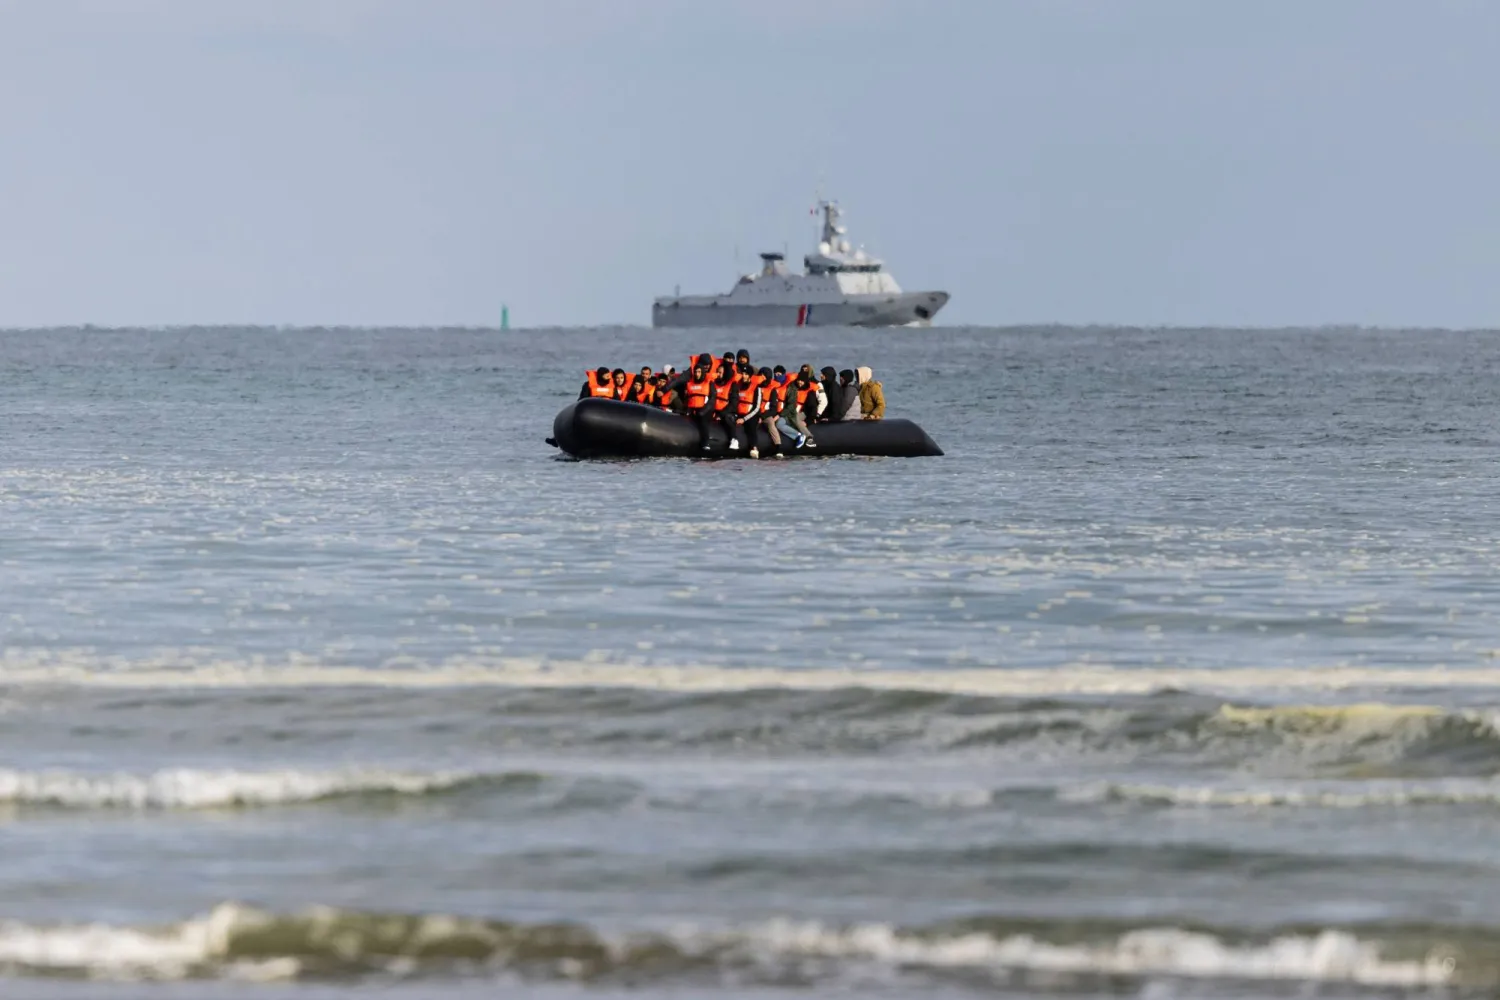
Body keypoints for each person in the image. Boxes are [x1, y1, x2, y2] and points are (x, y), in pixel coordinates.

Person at [728, 364, 762, 457]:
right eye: (742, 373)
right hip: (739, 413)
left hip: (751, 414)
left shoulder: (756, 388)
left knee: (751, 426)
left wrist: (744, 419)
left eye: (746, 374)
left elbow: (757, 407)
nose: (744, 376)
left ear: (750, 376)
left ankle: (754, 448)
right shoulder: (738, 386)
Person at [682, 360, 717, 451]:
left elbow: (712, 399)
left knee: (703, 420)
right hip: (694, 409)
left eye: (699, 372)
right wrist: (688, 410)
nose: (697, 374)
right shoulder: (690, 384)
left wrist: (704, 411)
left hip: (706, 409)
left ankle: (706, 442)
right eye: (696, 372)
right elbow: (688, 399)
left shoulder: (709, 383)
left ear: (702, 373)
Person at [782, 369, 818, 448]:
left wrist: (808, 421)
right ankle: (796, 435)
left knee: (794, 417)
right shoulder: (792, 388)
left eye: (802, 381)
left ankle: (809, 437)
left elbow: (812, 408)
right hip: (790, 411)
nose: (800, 382)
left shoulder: (809, 392)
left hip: (803, 413)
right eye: (799, 380)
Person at [757, 366, 787, 457]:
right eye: (760, 376)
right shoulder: (755, 387)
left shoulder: (772, 390)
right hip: (753, 414)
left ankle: (778, 446)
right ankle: (753, 446)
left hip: (765, 415)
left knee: (770, 422)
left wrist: (762, 417)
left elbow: (773, 409)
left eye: (763, 376)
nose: (761, 378)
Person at [710, 361, 739, 450]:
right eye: (717, 372)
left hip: (728, 412)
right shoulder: (713, 384)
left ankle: (734, 439)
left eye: (720, 373)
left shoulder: (732, 385)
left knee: (728, 418)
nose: (718, 374)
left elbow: (733, 404)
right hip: (715, 411)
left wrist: (721, 414)